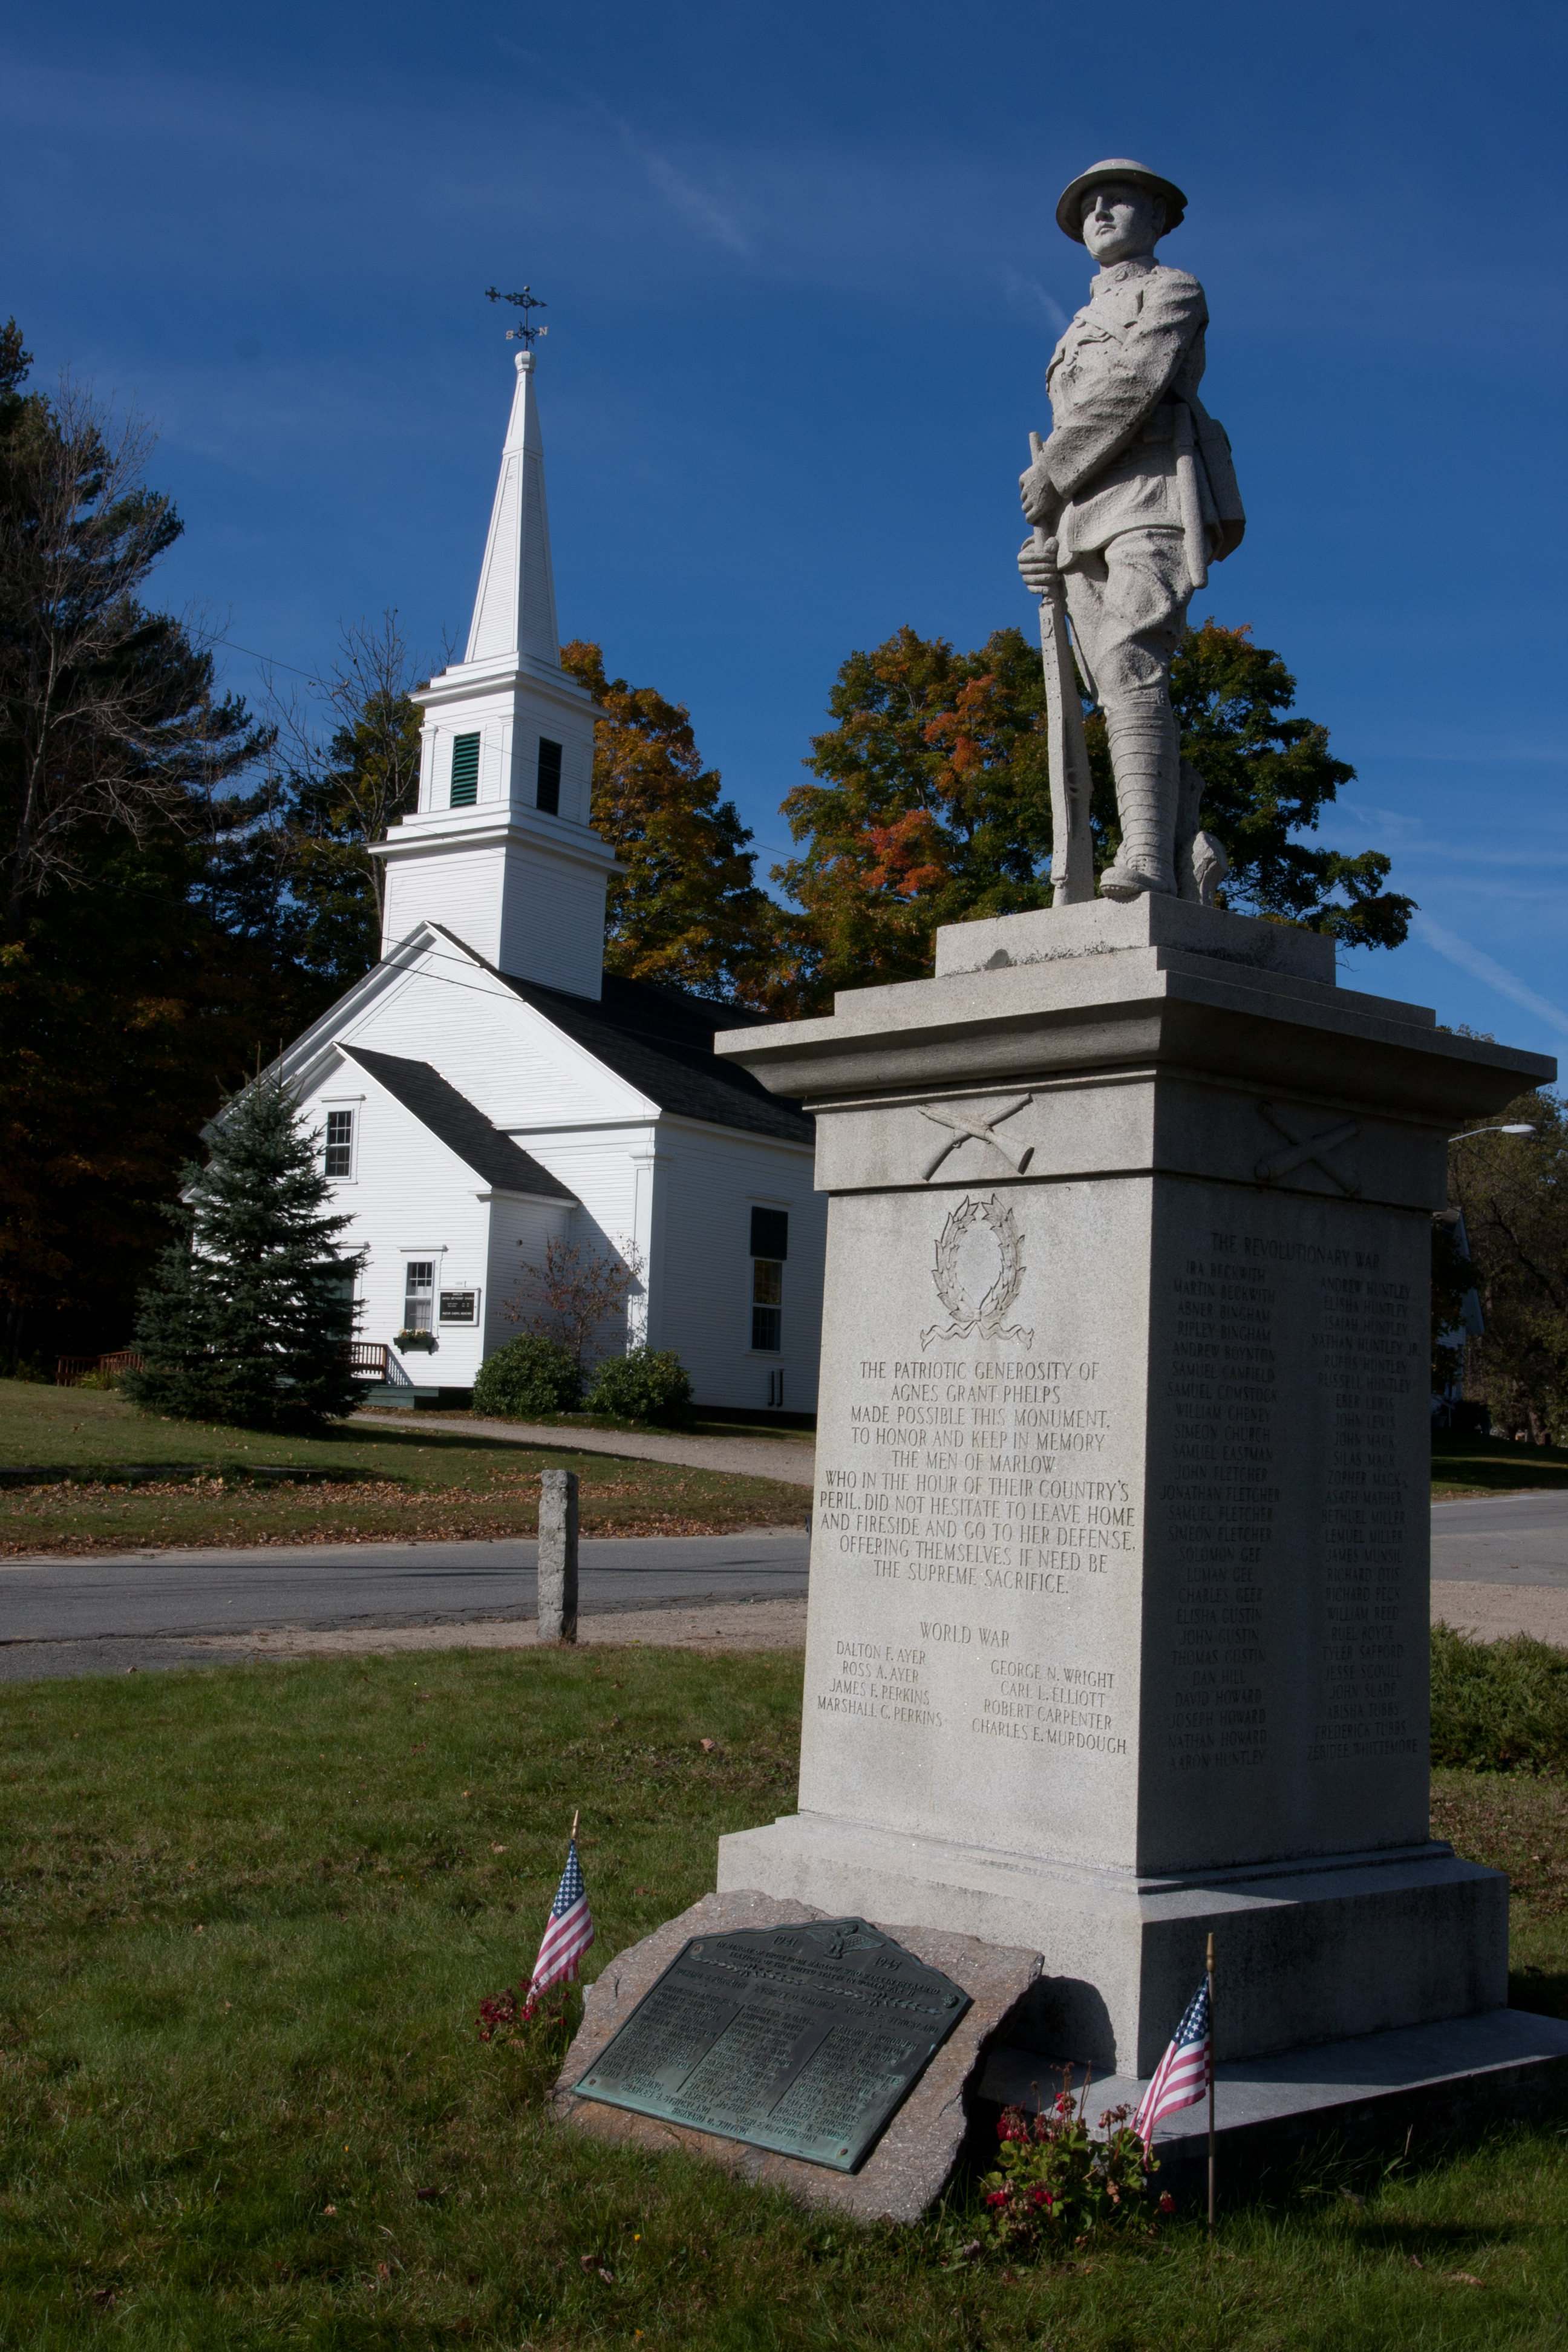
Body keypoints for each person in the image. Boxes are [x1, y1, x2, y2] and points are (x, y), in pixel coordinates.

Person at [1017, 159, 1244, 899]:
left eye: (1120, 201)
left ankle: (1147, 853)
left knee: (1129, 658)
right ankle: (1173, 838)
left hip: (1153, 490)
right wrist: (1043, 535)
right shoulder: (1075, 328)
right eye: (1090, 207)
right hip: (1083, 513)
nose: (1102, 214)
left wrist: (1052, 471)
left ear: (1159, 218)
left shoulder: (1171, 289)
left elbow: (1135, 385)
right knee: (1107, 686)